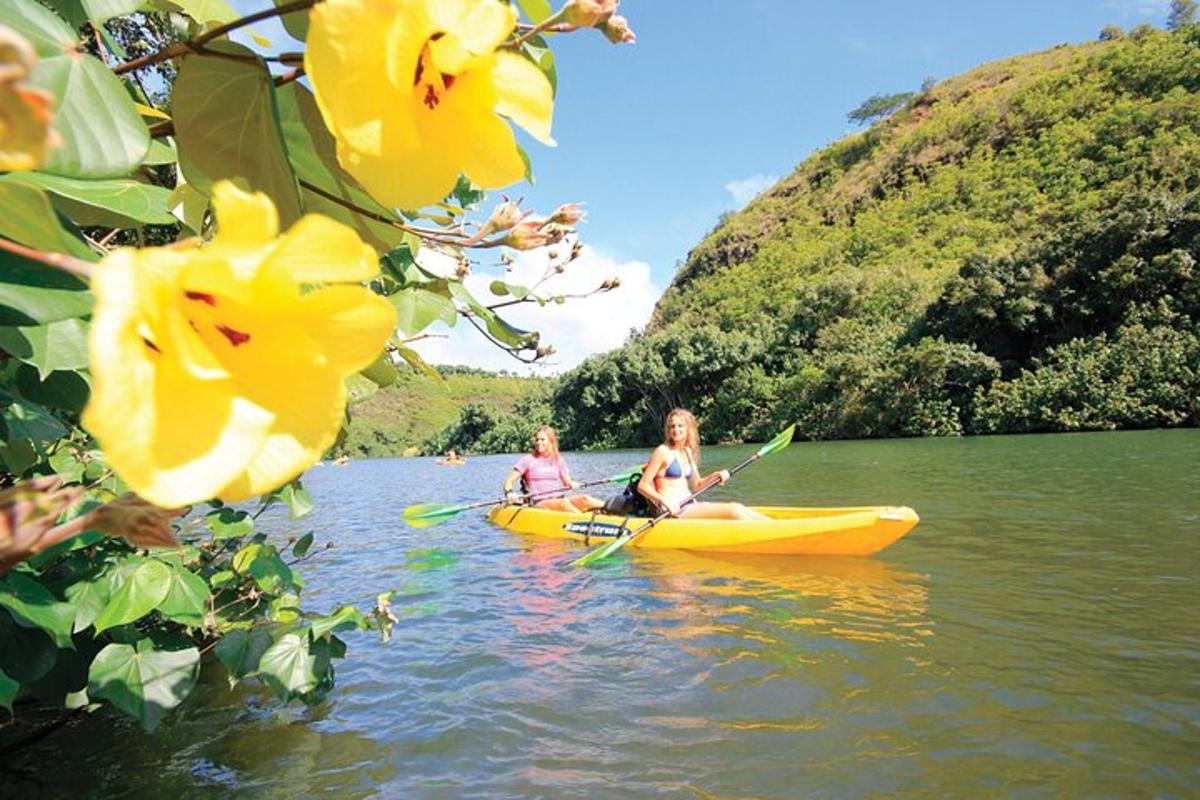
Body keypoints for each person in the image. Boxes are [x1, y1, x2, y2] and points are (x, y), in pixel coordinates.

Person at [637, 408, 768, 520]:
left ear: (689, 429)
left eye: (680, 426)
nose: (675, 429)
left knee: (738, 507)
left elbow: (697, 485)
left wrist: (716, 476)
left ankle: (776, 528)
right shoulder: (662, 451)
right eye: (672, 426)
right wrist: (663, 501)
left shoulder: (687, 452)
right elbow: (642, 485)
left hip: (690, 504)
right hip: (672, 511)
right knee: (734, 511)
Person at [504, 426, 603, 512]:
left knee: (584, 498)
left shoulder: (558, 460)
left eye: (542, 440)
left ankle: (614, 510)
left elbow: (567, 483)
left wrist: (572, 484)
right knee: (563, 503)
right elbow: (508, 482)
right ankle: (585, 522)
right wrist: (509, 492)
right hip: (539, 503)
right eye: (537, 439)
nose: (539, 442)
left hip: (559, 500)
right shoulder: (527, 460)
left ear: (551, 441)